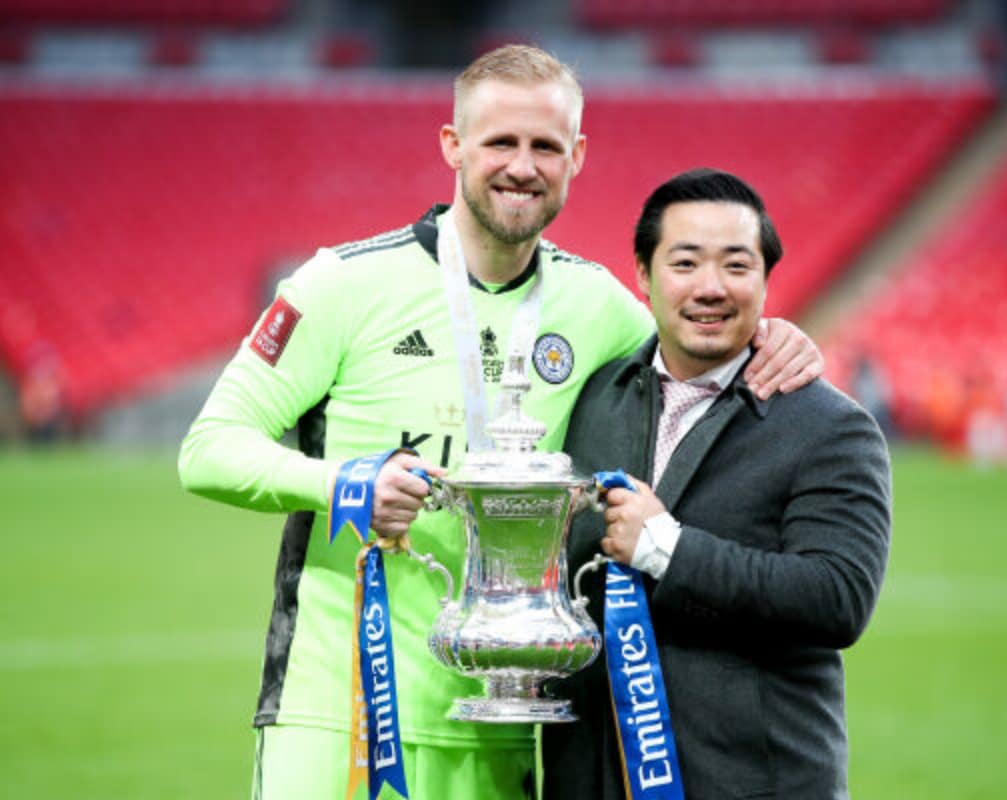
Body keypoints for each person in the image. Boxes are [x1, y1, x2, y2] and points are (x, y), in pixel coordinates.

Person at [178, 46, 824, 800]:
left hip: (511, 723)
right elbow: (208, 448)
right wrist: (346, 486)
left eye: (545, 146)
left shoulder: (600, 307)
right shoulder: (343, 285)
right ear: (453, 145)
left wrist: (774, 336)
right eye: (501, 143)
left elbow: (696, 344)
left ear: (576, 157)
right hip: (335, 718)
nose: (523, 166)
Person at [541, 169, 891, 800]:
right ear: (644, 278)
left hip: (751, 783)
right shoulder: (592, 401)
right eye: (685, 263)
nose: (710, 288)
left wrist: (665, 549)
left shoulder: (832, 428)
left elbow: (837, 598)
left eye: (736, 265)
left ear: (764, 281)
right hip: (590, 779)